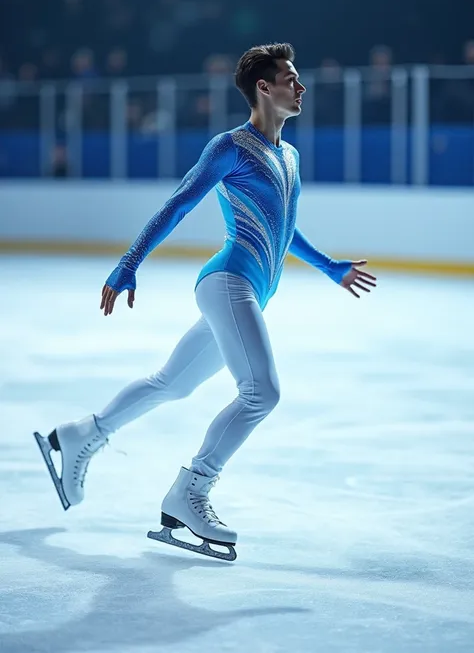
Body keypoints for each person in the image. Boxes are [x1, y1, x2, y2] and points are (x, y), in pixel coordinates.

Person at [34, 43, 377, 561]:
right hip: (227, 283)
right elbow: (177, 206)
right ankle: (191, 490)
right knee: (262, 391)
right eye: (291, 78)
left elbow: (284, 226)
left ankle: (83, 433)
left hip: (250, 293)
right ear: (264, 88)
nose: (300, 87)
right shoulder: (230, 147)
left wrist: (329, 267)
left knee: (170, 384)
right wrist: (129, 262)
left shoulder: (290, 155)